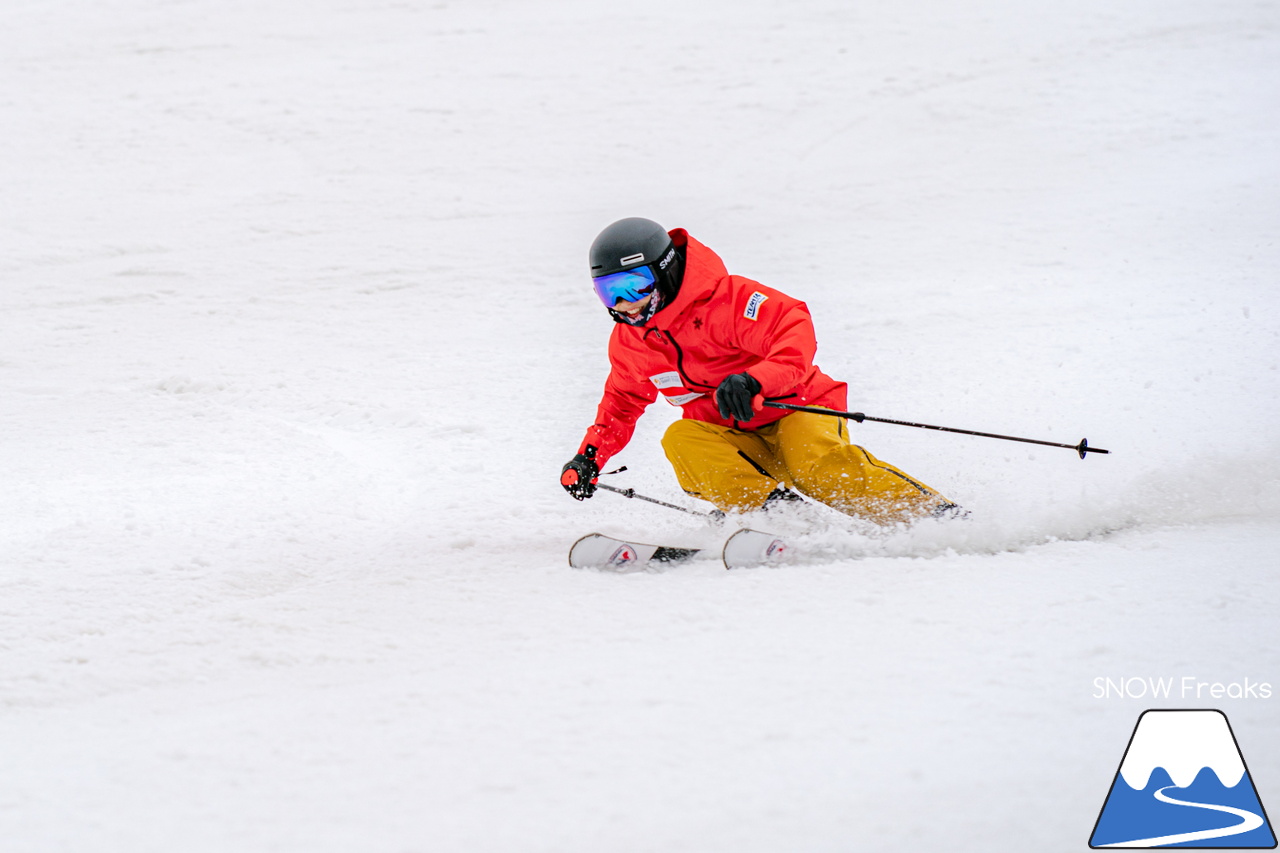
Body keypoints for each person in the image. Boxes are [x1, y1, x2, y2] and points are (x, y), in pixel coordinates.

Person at [560, 217, 956, 525]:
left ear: (665, 270)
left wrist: (754, 380)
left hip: (795, 410)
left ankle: (933, 518)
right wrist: (590, 459)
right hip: (734, 435)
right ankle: (780, 518)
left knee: (816, 468)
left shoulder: (730, 301)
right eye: (609, 292)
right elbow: (622, 402)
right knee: (681, 437)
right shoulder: (633, 341)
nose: (624, 304)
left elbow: (793, 329)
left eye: (634, 286)